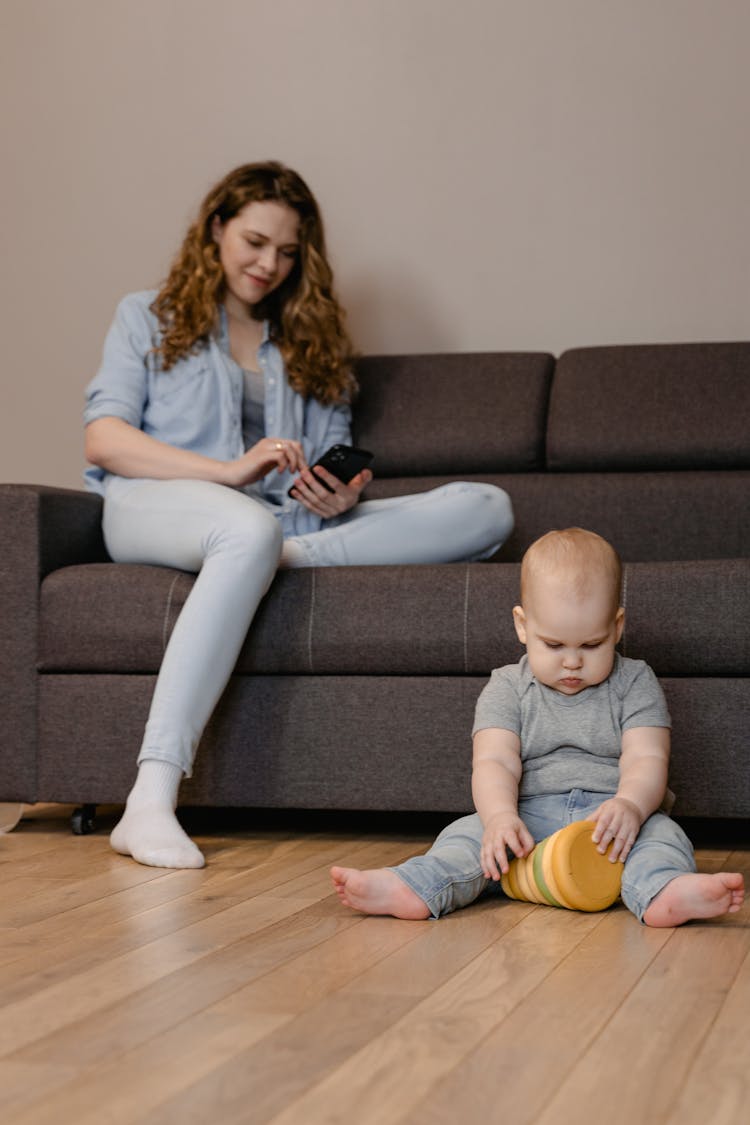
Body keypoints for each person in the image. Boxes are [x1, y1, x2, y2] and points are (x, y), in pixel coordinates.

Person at [84, 161, 514, 871]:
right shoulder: (147, 315)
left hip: (286, 531)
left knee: (487, 508)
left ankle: (264, 563)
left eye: (287, 252)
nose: (268, 264)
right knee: (244, 527)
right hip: (155, 505)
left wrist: (338, 496)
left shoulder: (314, 341)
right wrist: (226, 472)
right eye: (254, 241)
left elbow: (325, 462)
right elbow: (105, 439)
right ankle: (149, 799)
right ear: (217, 226)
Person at [331, 528, 745, 927]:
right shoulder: (507, 686)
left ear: (617, 628)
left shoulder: (635, 681)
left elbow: (648, 755)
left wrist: (631, 806)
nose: (572, 661)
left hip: (611, 818)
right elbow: (494, 760)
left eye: (590, 645)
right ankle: (416, 886)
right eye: (553, 644)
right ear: (522, 625)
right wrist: (498, 818)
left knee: (663, 837)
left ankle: (664, 891)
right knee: (465, 838)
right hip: (526, 815)